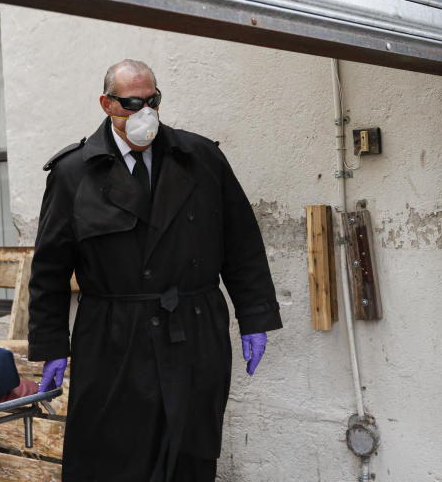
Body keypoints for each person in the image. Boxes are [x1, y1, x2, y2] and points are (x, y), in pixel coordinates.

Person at [27, 59, 282, 482]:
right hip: (113, 335)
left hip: (193, 327)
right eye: (132, 103)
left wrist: (254, 316)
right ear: (107, 104)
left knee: (190, 454)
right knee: (114, 458)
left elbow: (242, 243)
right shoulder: (75, 173)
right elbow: (49, 270)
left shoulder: (201, 158)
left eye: (153, 101)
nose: (145, 113)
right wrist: (53, 343)